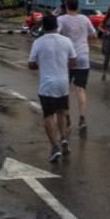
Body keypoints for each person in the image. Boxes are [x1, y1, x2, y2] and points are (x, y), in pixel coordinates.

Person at [27, 13, 77, 163]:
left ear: (43, 27)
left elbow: (31, 64)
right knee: (62, 112)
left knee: (48, 115)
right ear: (56, 25)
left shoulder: (38, 42)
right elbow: (74, 62)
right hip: (63, 83)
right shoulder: (66, 41)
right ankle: (63, 138)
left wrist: (42, 66)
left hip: (47, 85)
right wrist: (62, 67)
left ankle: (54, 148)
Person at [57, 0, 97, 136]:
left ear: (67, 7)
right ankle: (82, 120)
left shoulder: (61, 19)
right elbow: (94, 35)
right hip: (83, 57)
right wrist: (85, 40)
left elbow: (56, 33)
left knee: (66, 89)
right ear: (78, 7)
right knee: (80, 89)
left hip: (68, 58)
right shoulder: (85, 19)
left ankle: (67, 120)